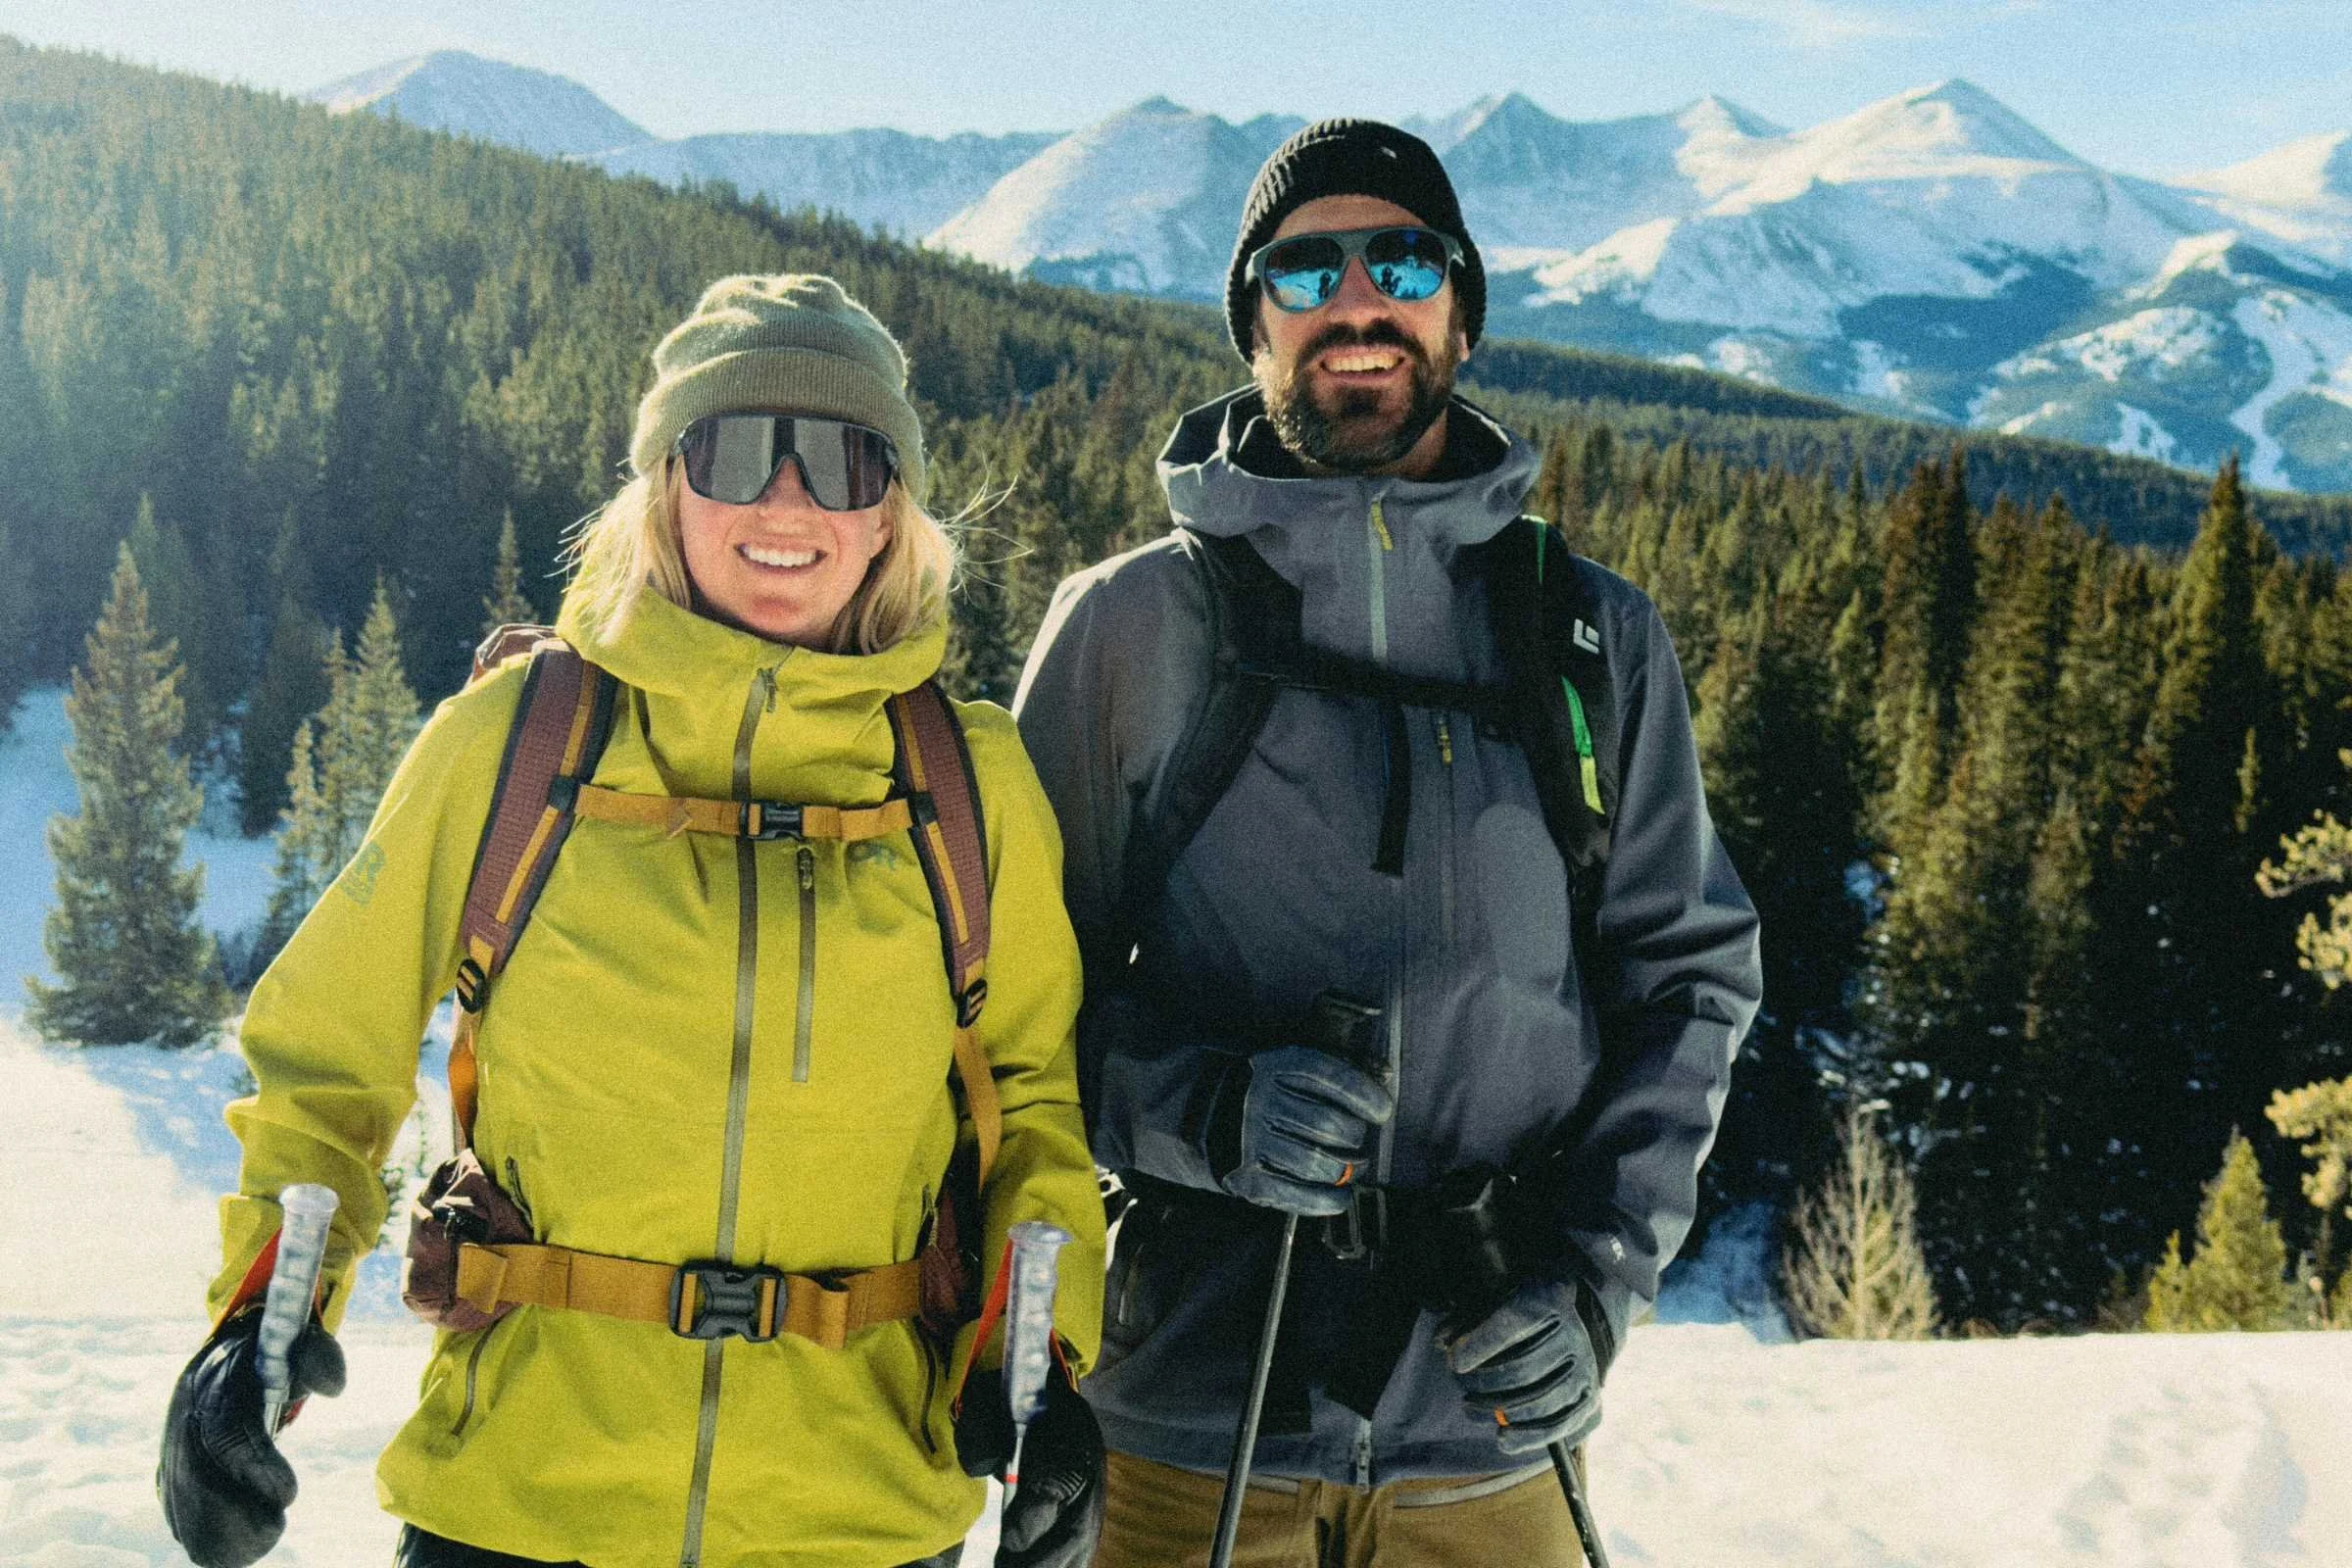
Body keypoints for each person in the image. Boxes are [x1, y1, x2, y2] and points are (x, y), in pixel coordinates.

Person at [158, 274, 1105, 1568]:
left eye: (838, 459)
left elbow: (1034, 1105)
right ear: (666, 485)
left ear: (891, 510)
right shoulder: (516, 741)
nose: (785, 501)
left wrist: (1038, 1362)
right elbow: (327, 1070)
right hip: (519, 1505)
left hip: (860, 1517)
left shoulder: (963, 779)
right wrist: (253, 1334)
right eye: (732, 452)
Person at [1011, 121, 1763, 1564]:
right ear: (1252, 328)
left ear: (1460, 313)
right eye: (1303, 274)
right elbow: (1001, 1010)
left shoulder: (1591, 639)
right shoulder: (1130, 626)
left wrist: (1598, 1286)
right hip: (1186, 1409)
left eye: (1402, 260)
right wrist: (1204, 1113)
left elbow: (1689, 984)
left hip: (1484, 1418)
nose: (1358, 304)